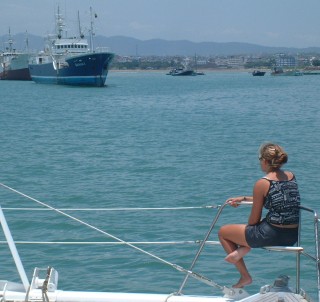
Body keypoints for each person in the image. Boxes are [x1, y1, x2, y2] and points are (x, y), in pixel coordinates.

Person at [218, 142, 300, 288]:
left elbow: (253, 220)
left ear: (264, 161)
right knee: (261, 224)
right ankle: (243, 248)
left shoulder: (262, 183)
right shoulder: (291, 176)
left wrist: (246, 238)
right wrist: (244, 198)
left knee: (224, 232)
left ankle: (245, 276)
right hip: (292, 236)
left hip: (271, 235)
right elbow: (274, 197)